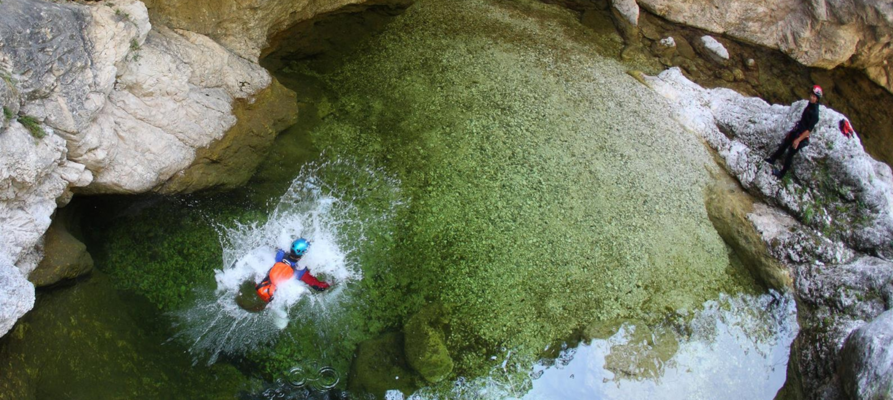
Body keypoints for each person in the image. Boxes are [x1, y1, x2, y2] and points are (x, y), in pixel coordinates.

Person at [764, 85, 822, 178]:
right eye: (811, 95)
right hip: (798, 130)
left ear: (817, 99)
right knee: (784, 144)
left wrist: (798, 140)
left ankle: (781, 174)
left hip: (802, 136)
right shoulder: (810, 106)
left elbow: (808, 131)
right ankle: (772, 159)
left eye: (814, 97)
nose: (811, 97)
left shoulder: (815, 114)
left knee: (790, 154)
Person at [255, 238, 330, 303]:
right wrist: (330, 283)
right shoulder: (300, 271)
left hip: (263, 285)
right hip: (275, 296)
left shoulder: (280, 254)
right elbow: (319, 287)